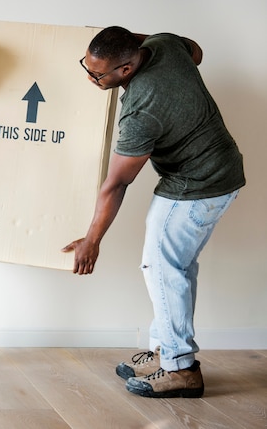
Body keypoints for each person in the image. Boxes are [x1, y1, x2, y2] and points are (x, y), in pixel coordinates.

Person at [62, 27, 245, 398]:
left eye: (98, 74)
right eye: (88, 65)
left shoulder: (142, 110)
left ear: (127, 69)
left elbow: (116, 184)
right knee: (174, 267)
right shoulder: (163, 44)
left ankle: (181, 369)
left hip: (197, 184)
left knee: (161, 267)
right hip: (219, 171)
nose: (90, 77)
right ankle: (166, 350)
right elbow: (196, 50)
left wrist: (92, 240)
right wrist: (135, 38)